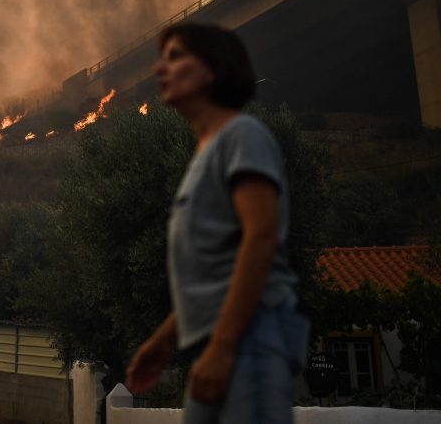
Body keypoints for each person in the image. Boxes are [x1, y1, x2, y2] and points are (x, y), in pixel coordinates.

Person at [126, 23, 308, 423]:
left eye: (175, 57)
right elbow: (214, 271)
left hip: (250, 340)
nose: (160, 69)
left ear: (211, 69)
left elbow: (260, 237)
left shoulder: (242, 135)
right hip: (219, 342)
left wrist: (224, 346)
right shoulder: (205, 155)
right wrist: (163, 341)